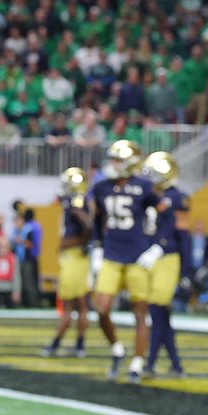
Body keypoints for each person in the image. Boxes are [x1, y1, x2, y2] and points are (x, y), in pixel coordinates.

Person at [90, 140, 166, 384]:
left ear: (130, 163)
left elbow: (165, 214)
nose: (112, 164)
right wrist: (97, 247)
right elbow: (96, 221)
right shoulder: (102, 187)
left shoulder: (144, 187)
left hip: (136, 255)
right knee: (101, 308)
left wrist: (157, 245)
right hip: (111, 254)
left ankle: (137, 362)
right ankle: (117, 349)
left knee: (140, 314)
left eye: (117, 160)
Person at [141, 152, 190, 378]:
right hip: (152, 258)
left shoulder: (178, 198)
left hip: (168, 258)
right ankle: (176, 365)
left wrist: (186, 271)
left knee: (157, 311)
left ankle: (150, 362)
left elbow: (184, 236)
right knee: (161, 315)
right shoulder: (152, 197)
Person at [41, 168, 92, 358]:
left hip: (75, 257)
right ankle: (77, 345)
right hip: (74, 257)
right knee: (77, 305)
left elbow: (88, 225)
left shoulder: (76, 202)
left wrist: (80, 242)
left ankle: (60, 344)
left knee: (73, 304)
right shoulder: (72, 202)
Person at [18, 209, 43, 307]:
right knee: (33, 281)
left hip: (28, 258)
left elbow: (30, 243)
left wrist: (20, 241)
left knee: (29, 282)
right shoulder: (37, 225)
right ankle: (33, 302)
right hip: (35, 257)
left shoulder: (28, 227)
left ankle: (32, 303)